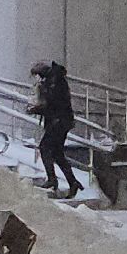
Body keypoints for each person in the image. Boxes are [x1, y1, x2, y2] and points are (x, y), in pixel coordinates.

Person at [28, 59, 81, 197]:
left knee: (44, 148)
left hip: (58, 122)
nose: (36, 80)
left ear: (41, 74)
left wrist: (36, 109)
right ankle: (72, 182)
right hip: (61, 121)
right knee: (57, 153)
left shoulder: (54, 82)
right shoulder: (55, 80)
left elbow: (53, 105)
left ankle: (52, 179)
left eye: (36, 76)